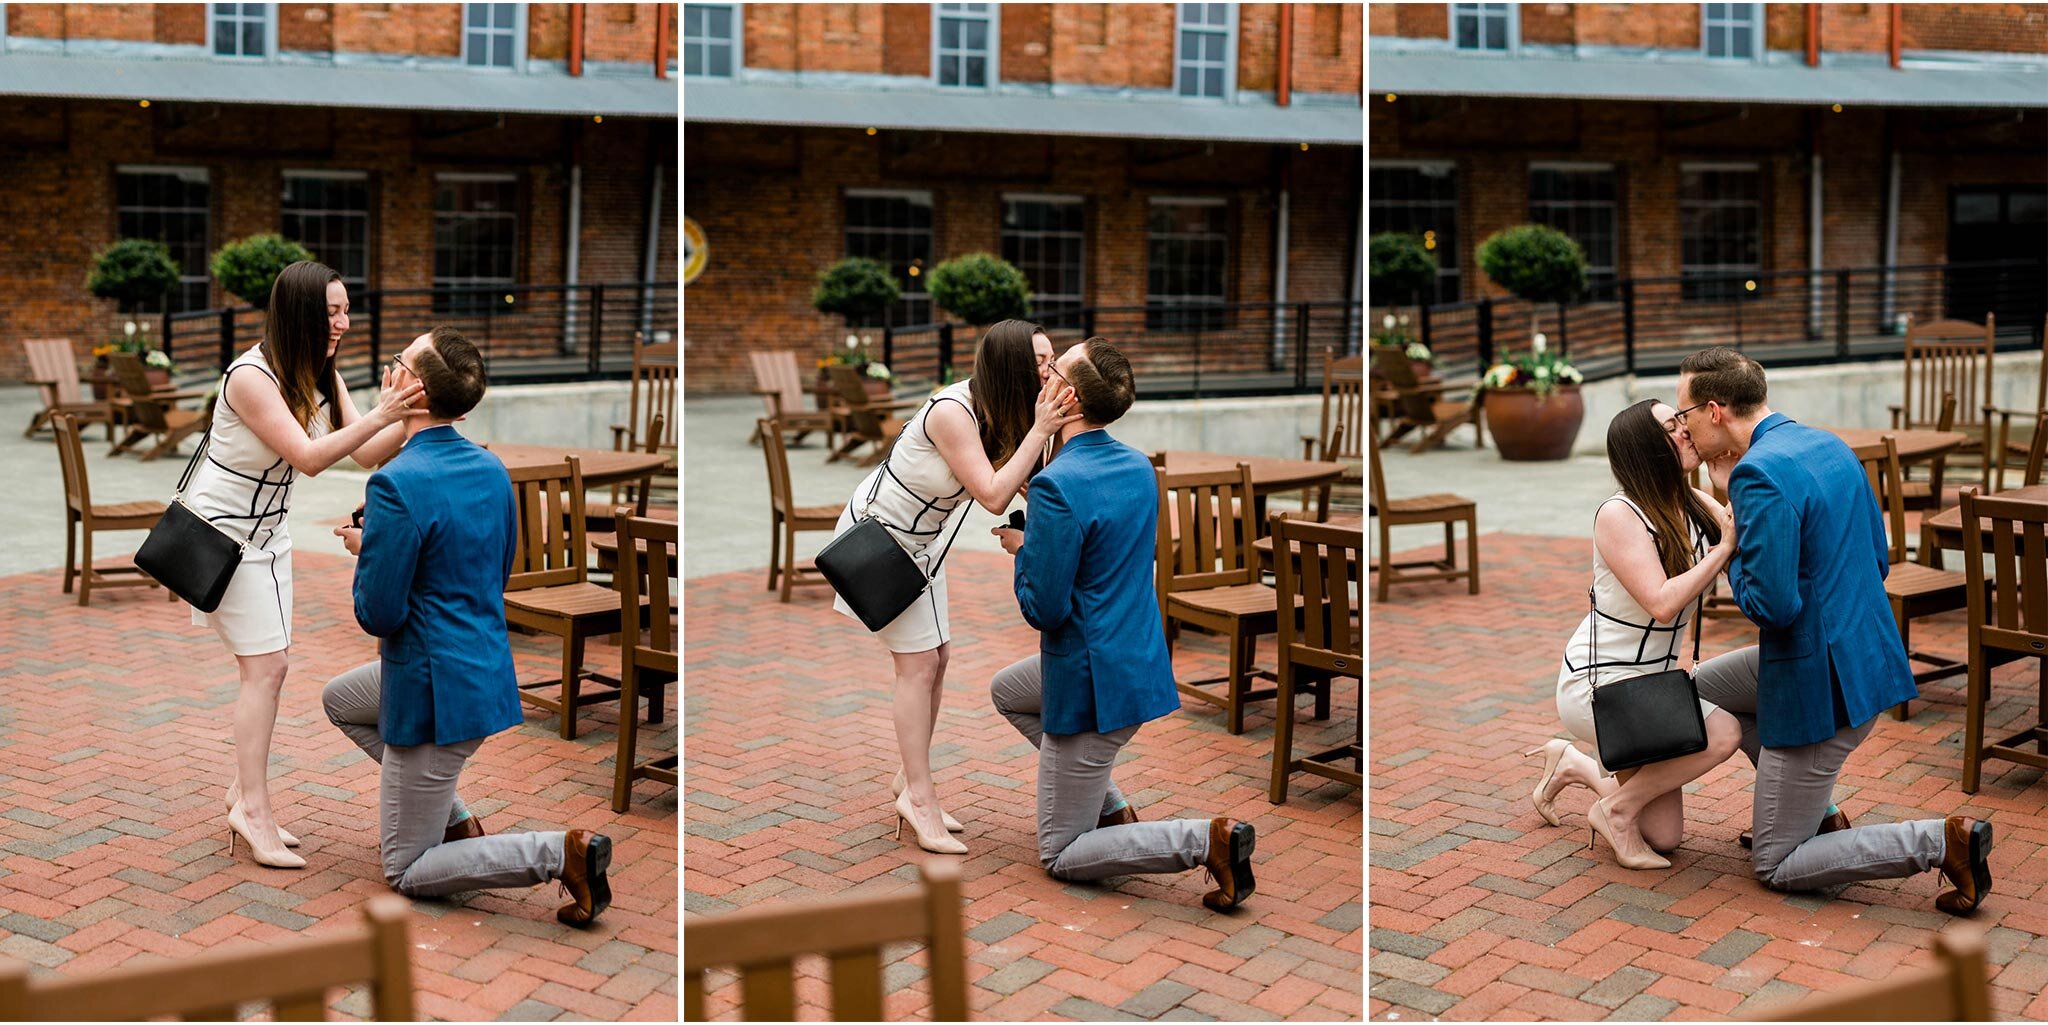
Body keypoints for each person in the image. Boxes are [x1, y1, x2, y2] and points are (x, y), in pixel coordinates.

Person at [1675, 346, 1990, 912]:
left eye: (1686, 415)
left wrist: (1729, 547)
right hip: (1865, 654)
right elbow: (1877, 556)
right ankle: (1819, 812)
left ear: (1715, 410)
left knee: (1775, 863)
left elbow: (1771, 606)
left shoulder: (1756, 473)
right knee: (1701, 689)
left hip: (1822, 685)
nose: (1684, 427)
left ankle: (1943, 842)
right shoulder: (1826, 443)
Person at [321, 327, 612, 925]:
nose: (388, 366)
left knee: (406, 869)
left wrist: (366, 549)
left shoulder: (395, 483)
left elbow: (379, 612)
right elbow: (491, 567)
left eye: (397, 361)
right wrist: (379, 538)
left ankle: (561, 852)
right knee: (342, 700)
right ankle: (451, 815)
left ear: (411, 387)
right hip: (478, 666)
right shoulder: (489, 467)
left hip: (430, 691)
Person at [990, 339, 1256, 911]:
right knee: (1007, 691)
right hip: (1134, 657)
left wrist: (1023, 548)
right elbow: (1098, 545)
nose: (1043, 371)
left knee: (1060, 853)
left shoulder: (1059, 484)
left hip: (1089, 680)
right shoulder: (1136, 465)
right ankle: (1105, 804)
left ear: (1065, 397)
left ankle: (1204, 839)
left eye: (1053, 368)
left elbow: (1046, 609)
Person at [188, 260, 429, 869]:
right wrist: (382, 415)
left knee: (272, 668)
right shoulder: (251, 377)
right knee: (265, 670)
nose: (345, 323)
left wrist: (401, 413)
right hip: (222, 537)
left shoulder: (322, 372)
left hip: (271, 537)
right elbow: (309, 457)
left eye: (347, 309)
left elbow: (368, 454)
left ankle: (244, 792)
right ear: (299, 313)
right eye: (333, 312)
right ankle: (254, 811)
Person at [829, 319, 1077, 855]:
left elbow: (1033, 483)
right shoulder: (952, 411)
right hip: (879, 543)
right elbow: (991, 494)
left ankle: (907, 780)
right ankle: (919, 799)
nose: (1049, 369)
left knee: (938, 658)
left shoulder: (1009, 412)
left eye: (1052, 357)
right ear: (1011, 366)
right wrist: (1039, 429)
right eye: (1039, 360)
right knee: (916, 666)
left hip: (924, 547)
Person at [1534, 399, 1746, 870]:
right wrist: (1723, 547)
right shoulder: (1619, 514)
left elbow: (1738, 532)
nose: (1687, 431)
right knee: (1723, 731)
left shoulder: (1691, 502)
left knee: (1665, 836)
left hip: (1655, 685)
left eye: (1681, 421)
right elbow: (1662, 601)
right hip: (1603, 685)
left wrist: (1726, 487)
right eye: (1673, 427)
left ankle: (1572, 765)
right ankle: (1613, 809)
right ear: (1647, 449)